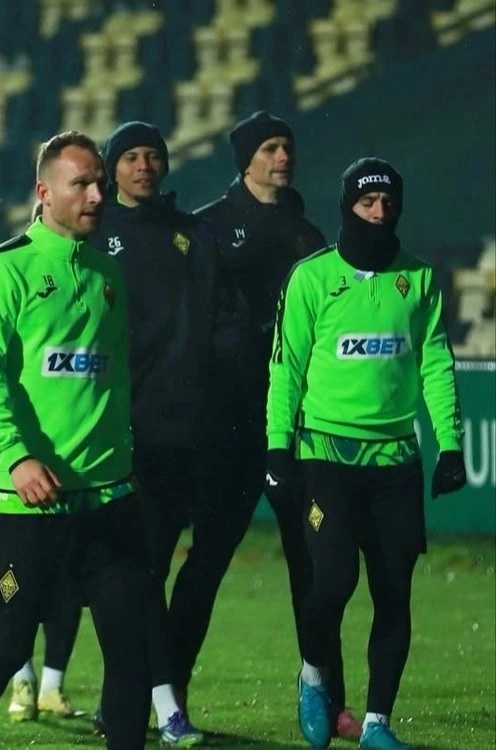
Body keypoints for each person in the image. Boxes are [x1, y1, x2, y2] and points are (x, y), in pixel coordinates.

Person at [0, 130, 152, 750]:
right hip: (31, 501)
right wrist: (16, 456)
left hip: (108, 497)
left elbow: (112, 379)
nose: (96, 195)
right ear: (44, 191)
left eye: (100, 184)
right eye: (80, 184)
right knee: (7, 646)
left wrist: (126, 461)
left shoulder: (108, 272)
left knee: (131, 647)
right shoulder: (1, 268)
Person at [267, 158, 467, 750]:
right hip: (325, 457)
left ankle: (377, 722)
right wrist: (277, 448)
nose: (379, 213)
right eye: (367, 203)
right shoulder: (311, 277)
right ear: (347, 206)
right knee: (331, 581)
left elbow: (436, 364)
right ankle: (313, 675)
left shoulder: (419, 278)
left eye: (388, 203)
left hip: (395, 463)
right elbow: (285, 369)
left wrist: (450, 444)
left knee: (393, 593)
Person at [195, 111, 360, 738]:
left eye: (287, 146)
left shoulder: (309, 234)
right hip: (232, 426)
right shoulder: (210, 228)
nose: (283, 156)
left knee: (313, 566)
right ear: (246, 159)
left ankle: (328, 697)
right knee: (207, 561)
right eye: (269, 147)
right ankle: (166, 693)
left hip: (294, 425)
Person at [85, 121, 214, 747]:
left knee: (145, 573)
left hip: (180, 434)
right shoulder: (94, 234)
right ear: (113, 169)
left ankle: (134, 703)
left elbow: (211, 323)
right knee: (131, 576)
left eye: (153, 156)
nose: (144, 166)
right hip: (118, 435)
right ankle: (153, 706)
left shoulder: (191, 235)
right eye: (131, 157)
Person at [6, 201, 85, 725]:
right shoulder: (12, 272)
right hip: (17, 468)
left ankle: (52, 684)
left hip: (77, 470)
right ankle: (21, 679)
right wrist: (13, 454)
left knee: (68, 585)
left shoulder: (94, 277)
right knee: (17, 587)